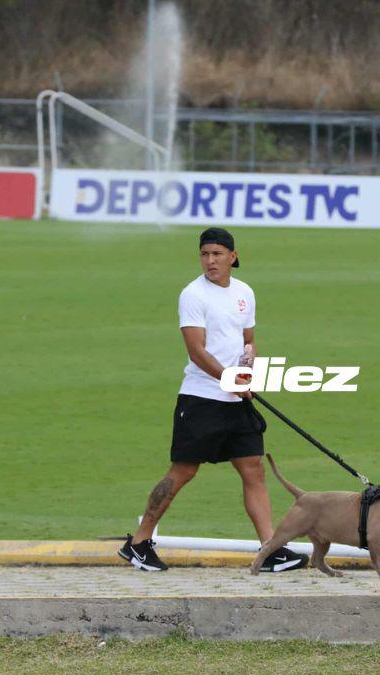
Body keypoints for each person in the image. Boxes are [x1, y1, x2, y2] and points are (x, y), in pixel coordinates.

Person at [118, 227, 307, 572]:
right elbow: (195, 350)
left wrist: (247, 374)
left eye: (217, 254)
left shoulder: (245, 292)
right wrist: (227, 380)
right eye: (205, 254)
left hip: (236, 400)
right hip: (201, 398)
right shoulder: (193, 295)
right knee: (184, 470)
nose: (210, 261)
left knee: (253, 468)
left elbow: (248, 341)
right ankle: (139, 542)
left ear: (233, 257)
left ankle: (269, 550)